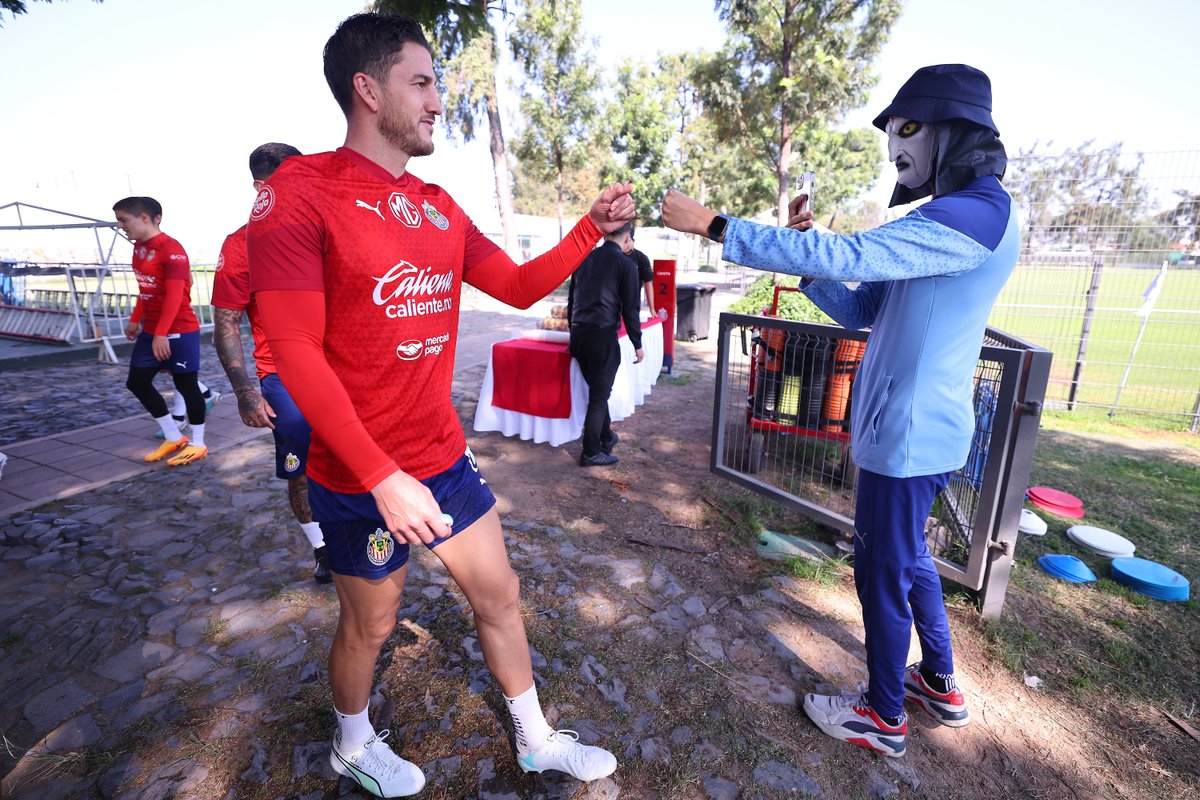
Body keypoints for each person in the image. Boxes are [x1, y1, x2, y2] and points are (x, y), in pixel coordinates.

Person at [246, 13, 633, 797]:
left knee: (501, 596)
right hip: (358, 476)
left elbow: (520, 285)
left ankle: (535, 738)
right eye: (420, 83)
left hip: (443, 458)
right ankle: (351, 742)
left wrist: (592, 227)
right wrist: (380, 476)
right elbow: (293, 348)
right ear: (367, 88)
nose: (436, 101)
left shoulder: (436, 203)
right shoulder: (298, 193)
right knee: (372, 625)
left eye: (437, 85)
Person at [661, 63, 1015, 758]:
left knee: (881, 570)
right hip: (920, 431)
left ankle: (884, 716)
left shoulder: (971, 215)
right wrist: (814, 266)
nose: (897, 149)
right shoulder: (967, 221)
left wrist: (716, 226)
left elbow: (853, 252)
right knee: (909, 560)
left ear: (954, 129)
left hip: (907, 436)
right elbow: (861, 308)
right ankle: (939, 683)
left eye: (908, 131)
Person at [211, 142, 332, 585]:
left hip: (346, 369)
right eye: (293, 182)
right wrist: (246, 391)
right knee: (303, 469)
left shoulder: (327, 228)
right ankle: (323, 547)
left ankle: (364, 532)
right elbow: (225, 323)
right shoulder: (240, 245)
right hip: (285, 376)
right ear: (262, 188)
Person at [115, 196, 209, 466]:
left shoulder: (171, 249)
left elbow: (175, 296)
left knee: (186, 384)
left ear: (145, 217)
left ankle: (198, 442)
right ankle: (172, 435)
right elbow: (146, 289)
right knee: (137, 382)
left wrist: (161, 333)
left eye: (124, 220)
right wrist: (136, 319)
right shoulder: (139, 248)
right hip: (152, 330)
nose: (121, 226)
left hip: (178, 329)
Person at [567, 221, 644, 467]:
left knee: (599, 392)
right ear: (628, 238)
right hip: (602, 338)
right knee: (599, 397)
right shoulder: (626, 264)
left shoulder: (584, 259)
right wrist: (637, 343)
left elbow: (571, 302)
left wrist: (573, 332)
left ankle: (606, 436)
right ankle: (590, 452)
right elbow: (631, 309)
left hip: (579, 336)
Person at [626, 229, 656, 311]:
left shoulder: (641, 258)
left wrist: (652, 308)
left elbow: (648, 283)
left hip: (632, 304)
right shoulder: (613, 255)